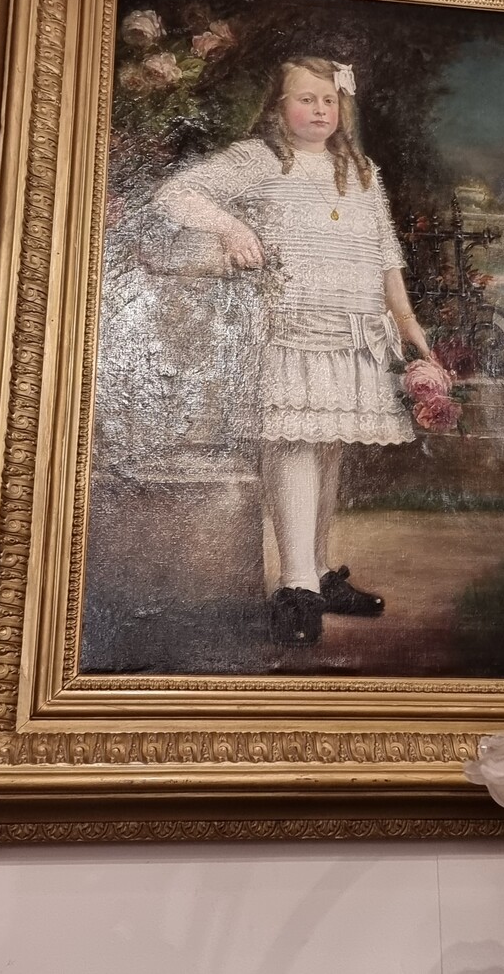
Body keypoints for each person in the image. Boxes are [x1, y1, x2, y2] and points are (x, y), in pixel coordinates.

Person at [154, 56, 432, 646]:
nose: (320, 110)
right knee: (296, 446)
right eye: (306, 99)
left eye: (329, 100)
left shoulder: (360, 170)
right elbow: (175, 194)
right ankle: (296, 586)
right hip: (292, 331)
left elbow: (385, 251)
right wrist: (233, 229)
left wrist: (407, 322)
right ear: (278, 107)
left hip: (356, 332)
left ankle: (320, 571)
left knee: (327, 448)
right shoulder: (258, 160)